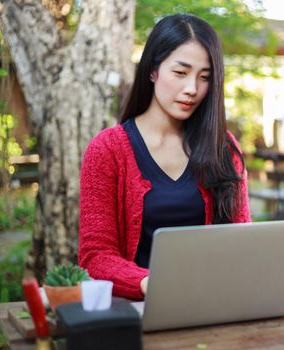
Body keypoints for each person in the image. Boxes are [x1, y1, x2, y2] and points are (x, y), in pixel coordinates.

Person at [78, 14, 251, 300]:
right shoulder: (108, 150)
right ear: (152, 70)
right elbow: (96, 257)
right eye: (180, 73)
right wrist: (152, 284)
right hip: (140, 309)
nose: (192, 89)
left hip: (215, 303)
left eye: (204, 77)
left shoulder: (225, 148)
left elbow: (242, 241)